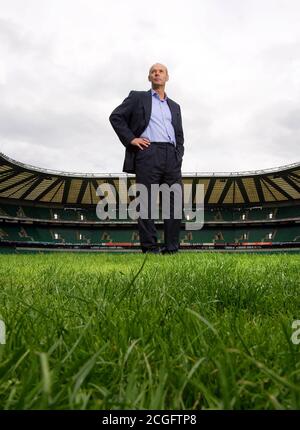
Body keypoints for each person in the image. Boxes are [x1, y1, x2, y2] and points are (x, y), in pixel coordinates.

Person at [109, 63, 184, 254]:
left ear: (167, 77)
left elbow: (179, 134)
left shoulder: (175, 107)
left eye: (161, 71)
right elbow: (116, 117)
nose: (157, 74)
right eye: (153, 71)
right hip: (148, 151)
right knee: (147, 203)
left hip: (171, 156)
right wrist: (131, 139)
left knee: (173, 204)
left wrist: (178, 155)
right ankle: (150, 248)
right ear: (149, 78)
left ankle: (172, 249)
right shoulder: (138, 97)